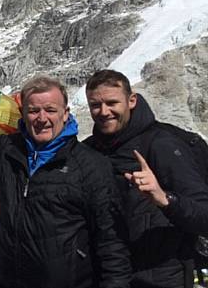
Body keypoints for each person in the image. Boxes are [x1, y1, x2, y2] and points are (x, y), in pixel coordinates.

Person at [0, 73, 131, 288]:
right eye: (33, 110)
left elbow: (111, 242)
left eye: (50, 110)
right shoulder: (7, 151)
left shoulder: (90, 166)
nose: (42, 118)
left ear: (65, 114)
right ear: (23, 114)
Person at [84, 69, 208, 288]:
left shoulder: (162, 144)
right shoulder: (89, 151)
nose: (104, 112)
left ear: (132, 101)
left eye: (112, 103)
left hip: (162, 276)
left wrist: (164, 198)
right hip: (108, 275)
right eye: (95, 105)